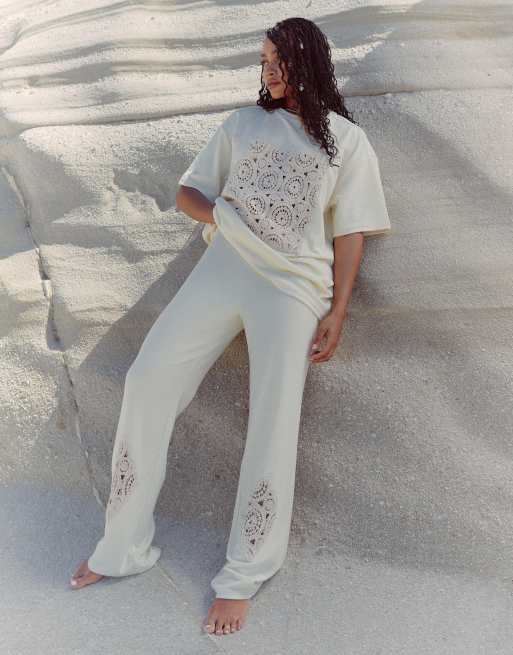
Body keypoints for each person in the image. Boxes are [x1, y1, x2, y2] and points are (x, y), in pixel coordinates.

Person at [69, 16, 391, 637]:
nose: (269, 71)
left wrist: (339, 310)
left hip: (292, 289)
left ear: (308, 63)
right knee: (146, 380)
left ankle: (243, 575)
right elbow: (190, 191)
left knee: (273, 419)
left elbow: (350, 231)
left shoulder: (346, 142)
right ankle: (121, 545)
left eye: (279, 60)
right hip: (221, 270)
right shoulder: (242, 124)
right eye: (264, 60)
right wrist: (226, 217)